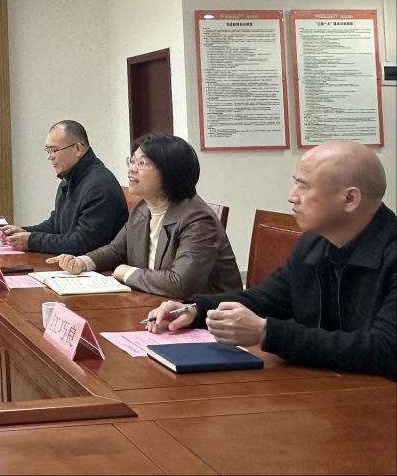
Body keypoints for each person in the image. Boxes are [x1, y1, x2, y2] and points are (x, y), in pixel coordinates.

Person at [148, 142, 396, 381]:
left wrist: (267, 332)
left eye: (303, 187)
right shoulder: (314, 243)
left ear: (350, 199)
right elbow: (267, 299)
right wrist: (195, 309)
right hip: (327, 384)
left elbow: (384, 350)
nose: (292, 197)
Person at [48, 134, 242, 298]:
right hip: (154, 303)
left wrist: (127, 273)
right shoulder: (144, 207)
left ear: (170, 172)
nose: (131, 169)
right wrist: (83, 262)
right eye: (132, 161)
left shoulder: (198, 219)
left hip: (206, 317)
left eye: (141, 163)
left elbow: (180, 284)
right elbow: (116, 250)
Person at [0, 120, 127, 255]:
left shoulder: (99, 186)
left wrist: (31, 241)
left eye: (54, 150)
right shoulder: (69, 179)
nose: (50, 157)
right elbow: (56, 224)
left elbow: (83, 243)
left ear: (77, 149)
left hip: (96, 265)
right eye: (48, 150)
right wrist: (24, 232)